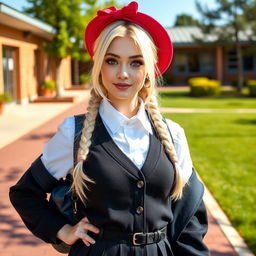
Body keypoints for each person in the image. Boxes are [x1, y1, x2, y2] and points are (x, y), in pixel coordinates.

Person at [9, 2, 209, 255]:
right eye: (112, 60)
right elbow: (25, 193)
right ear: (99, 66)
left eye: (135, 63)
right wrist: (62, 230)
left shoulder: (173, 135)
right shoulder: (74, 132)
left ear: (149, 70)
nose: (123, 73)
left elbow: (189, 218)